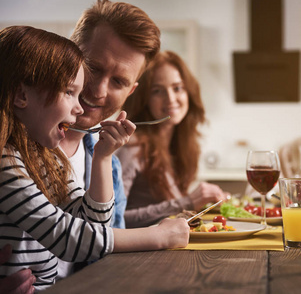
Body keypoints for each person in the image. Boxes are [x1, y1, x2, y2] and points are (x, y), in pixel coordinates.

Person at [0, 25, 189, 292]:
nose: (92, 95)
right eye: (69, 91)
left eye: (118, 81)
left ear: (130, 91)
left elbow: (92, 225)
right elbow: (66, 237)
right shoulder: (7, 161)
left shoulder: (46, 158)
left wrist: (101, 158)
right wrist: (157, 236)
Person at [57, 0, 170, 279]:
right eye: (93, 68)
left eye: (118, 82)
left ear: (131, 91)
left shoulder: (110, 169)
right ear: (68, 53)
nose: (97, 91)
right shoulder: (9, 144)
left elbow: (106, 258)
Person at [116, 51, 228, 228]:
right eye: (157, 91)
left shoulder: (181, 144)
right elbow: (114, 220)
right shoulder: (132, 146)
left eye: (177, 88)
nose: (170, 99)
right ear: (144, 99)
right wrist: (187, 202)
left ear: (189, 92)